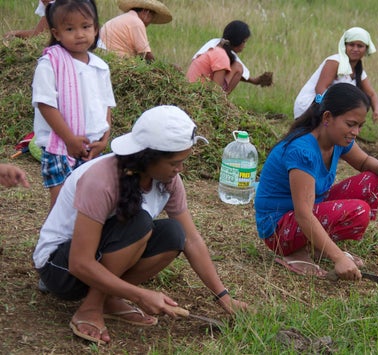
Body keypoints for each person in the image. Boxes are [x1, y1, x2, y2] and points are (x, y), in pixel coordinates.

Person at [32, 105, 248, 346]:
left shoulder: (168, 181)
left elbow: (192, 240)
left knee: (174, 234)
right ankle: (90, 308)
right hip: (61, 269)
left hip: (94, 262)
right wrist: (139, 295)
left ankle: (108, 299)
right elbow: (79, 262)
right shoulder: (101, 180)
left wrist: (224, 298)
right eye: (175, 163)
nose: (180, 170)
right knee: (139, 222)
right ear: (147, 157)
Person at [255, 83, 378, 280]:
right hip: (279, 230)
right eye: (350, 124)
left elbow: (363, 162)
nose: (355, 132)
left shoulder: (336, 141)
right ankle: (295, 252)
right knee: (359, 210)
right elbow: (303, 215)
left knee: (371, 182)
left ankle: (317, 246)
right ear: (327, 117)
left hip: (305, 216)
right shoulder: (303, 151)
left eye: (359, 126)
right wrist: (338, 258)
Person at [32, 0, 115, 210]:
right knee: (62, 204)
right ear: (57, 33)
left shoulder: (100, 67)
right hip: (60, 146)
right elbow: (45, 104)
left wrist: (104, 139)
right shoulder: (49, 63)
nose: (79, 34)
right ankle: (55, 242)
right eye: (70, 28)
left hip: (92, 146)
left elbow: (106, 104)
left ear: (96, 28)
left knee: (89, 202)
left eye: (86, 27)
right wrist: (69, 140)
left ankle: (81, 241)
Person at [293, 27, 378, 126]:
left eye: (360, 46)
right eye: (351, 45)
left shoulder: (359, 72)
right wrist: (324, 109)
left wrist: (376, 111)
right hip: (310, 107)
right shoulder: (334, 62)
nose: (355, 49)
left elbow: (371, 94)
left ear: (366, 48)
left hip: (330, 111)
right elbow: (320, 89)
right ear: (344, 46)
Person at [187, 20, 273, 94]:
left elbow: (235, 71)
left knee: (237, 67)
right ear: (237, 40)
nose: (244, 46)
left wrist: (254, 81)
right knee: (238, 68)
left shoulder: (217, 45)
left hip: (190, 89)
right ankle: (223, 105)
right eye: (244, 42)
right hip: (196, 95)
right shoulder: (221, 56)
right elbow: (216, 91)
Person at [98, 0, 172, 62]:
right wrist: (161, 68)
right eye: (152, 16)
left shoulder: (124, 18)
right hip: (117, 59)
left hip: (104, 56)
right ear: (146, 12)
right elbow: (145, 54)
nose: (151, 21)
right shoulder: (137, 23)